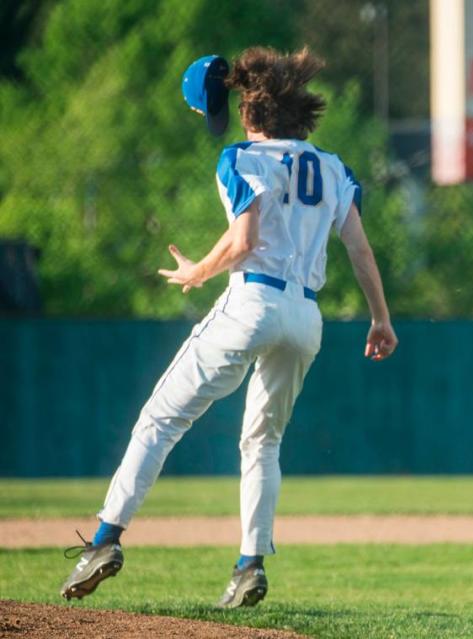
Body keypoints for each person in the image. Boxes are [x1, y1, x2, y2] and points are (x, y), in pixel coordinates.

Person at [60, 46, 398, 608]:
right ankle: (248, 567)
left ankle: (103, 542)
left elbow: (244, 242)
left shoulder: (241, 158)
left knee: (160, 419)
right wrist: (380, 317)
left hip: (253, 304)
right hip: (307, 316)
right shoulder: (333, 167)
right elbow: (358, 249)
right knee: (262, 442)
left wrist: (197, 271)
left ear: (249, 112)